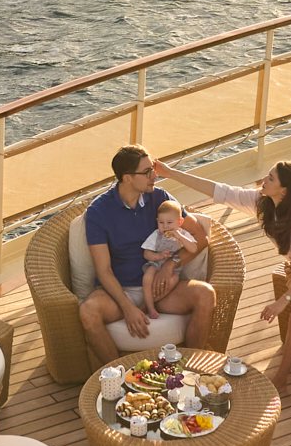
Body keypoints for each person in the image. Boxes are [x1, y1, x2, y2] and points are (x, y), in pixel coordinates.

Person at [149, 157, 291, 403]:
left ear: (284, 190)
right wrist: (171, 173)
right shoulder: (264, 203)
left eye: (270, 178)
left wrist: (282, 302)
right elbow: (221, 191)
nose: (264, 181)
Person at [79, 147, 219, 364]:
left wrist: (171, 265)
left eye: (153, 169)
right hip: (120, 291)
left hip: (162, 288)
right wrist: (128, 308)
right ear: (127, 178)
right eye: (147, 172)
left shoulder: (160, 198)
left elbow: (200, 237)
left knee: (205, 294)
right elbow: (103, 270)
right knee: (88, 312)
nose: (155, 175)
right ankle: (120, 380)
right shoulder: (99, 212)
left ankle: (188, 373)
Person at [140, 196, 207, 317]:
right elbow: (146, 253)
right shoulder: (156, 235)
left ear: (180, 222)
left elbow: (193, 249)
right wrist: (158, 256)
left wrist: (179, 236)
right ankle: (149, 307)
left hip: (174, 269)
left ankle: (154, 300)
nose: (165, 226)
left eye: (169, 223)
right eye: (161, 222)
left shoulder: (183, 234)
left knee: (173, 280)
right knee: (147, 277)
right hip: (155, 264)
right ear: (157, 221)